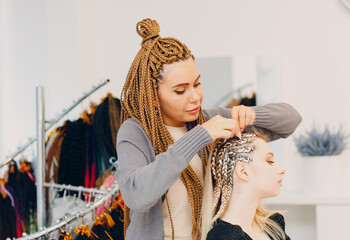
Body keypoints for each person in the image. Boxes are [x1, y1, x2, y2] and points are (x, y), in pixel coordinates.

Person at [115, 18, 301, 240]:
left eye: (197, 83)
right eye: (180, 91)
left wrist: (251, 114)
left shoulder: (211, 120)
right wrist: (200, 137)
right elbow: (137, 195)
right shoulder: (135, 132)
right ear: (154, 97)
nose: (195, 96)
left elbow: (291, 120)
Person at [201, 129, 290, 240]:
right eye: (270, 161)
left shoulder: (273, 225)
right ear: (243, 172)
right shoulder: (223, 237)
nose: (282, 170)